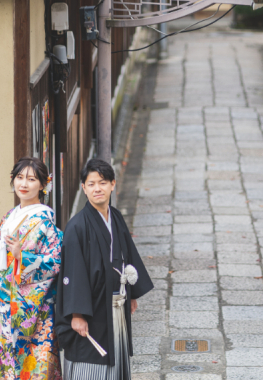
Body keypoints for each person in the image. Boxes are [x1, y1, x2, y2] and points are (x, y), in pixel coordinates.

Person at [0, 156, 63, 380]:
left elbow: (56, 261)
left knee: (27, 367)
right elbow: (4, 255)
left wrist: (22, 257)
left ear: (43, 184)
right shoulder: (9, 216)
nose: (24, 184)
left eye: (32, 179)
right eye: (19, 177)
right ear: (12, 179)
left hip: (27, 311)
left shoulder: (45, 223)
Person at [55, 158, 154, 379]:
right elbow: (73, 271)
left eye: (102, 182)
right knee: (90, 359)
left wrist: (131, 294)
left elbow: (127, 255)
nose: (97, 188)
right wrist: (76, 314)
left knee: (114, 356)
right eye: (91, 184)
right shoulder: (77, 226)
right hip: (91, 307)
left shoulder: (116, 217)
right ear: (84, 188)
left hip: (116, 303)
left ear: (112, 184)